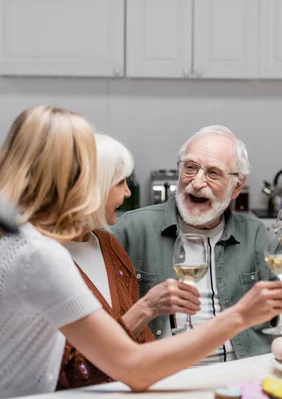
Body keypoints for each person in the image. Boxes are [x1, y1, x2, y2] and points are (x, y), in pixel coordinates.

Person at [0, 105, 282, 398]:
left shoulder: (19, 239)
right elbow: (132, 367)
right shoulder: (41, 255)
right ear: (70, 175)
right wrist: (240, 316)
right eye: (91, 162)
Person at [112, 125, 282, 362]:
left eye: (213, 173)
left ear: (236, 186)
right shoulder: (131, 230)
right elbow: (103, 329)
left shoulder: (256, 236)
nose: (197, 183)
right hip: (161, 373)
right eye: (190, 168)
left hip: (242, 371)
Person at [58, 134, 204, 389]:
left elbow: (140, 346)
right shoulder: (48, 259)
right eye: (120, 182)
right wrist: (146, 308)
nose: (127, 192)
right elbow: (72, 374)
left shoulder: (108, 244)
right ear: (95, 187)